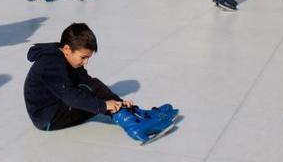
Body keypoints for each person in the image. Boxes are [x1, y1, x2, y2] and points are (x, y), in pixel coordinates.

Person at [23, 22, 177, 144]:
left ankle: (134, 115)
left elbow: (89, 83)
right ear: (67, 48)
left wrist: (118, 102)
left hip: (58, 106)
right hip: (48, 118)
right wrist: (104, 105)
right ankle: (133, 125)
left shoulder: (66, 57)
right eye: (83, 57)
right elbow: (70, 96)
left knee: (91, 84)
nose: (86, 62)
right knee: (86, 91)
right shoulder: (50, 64)